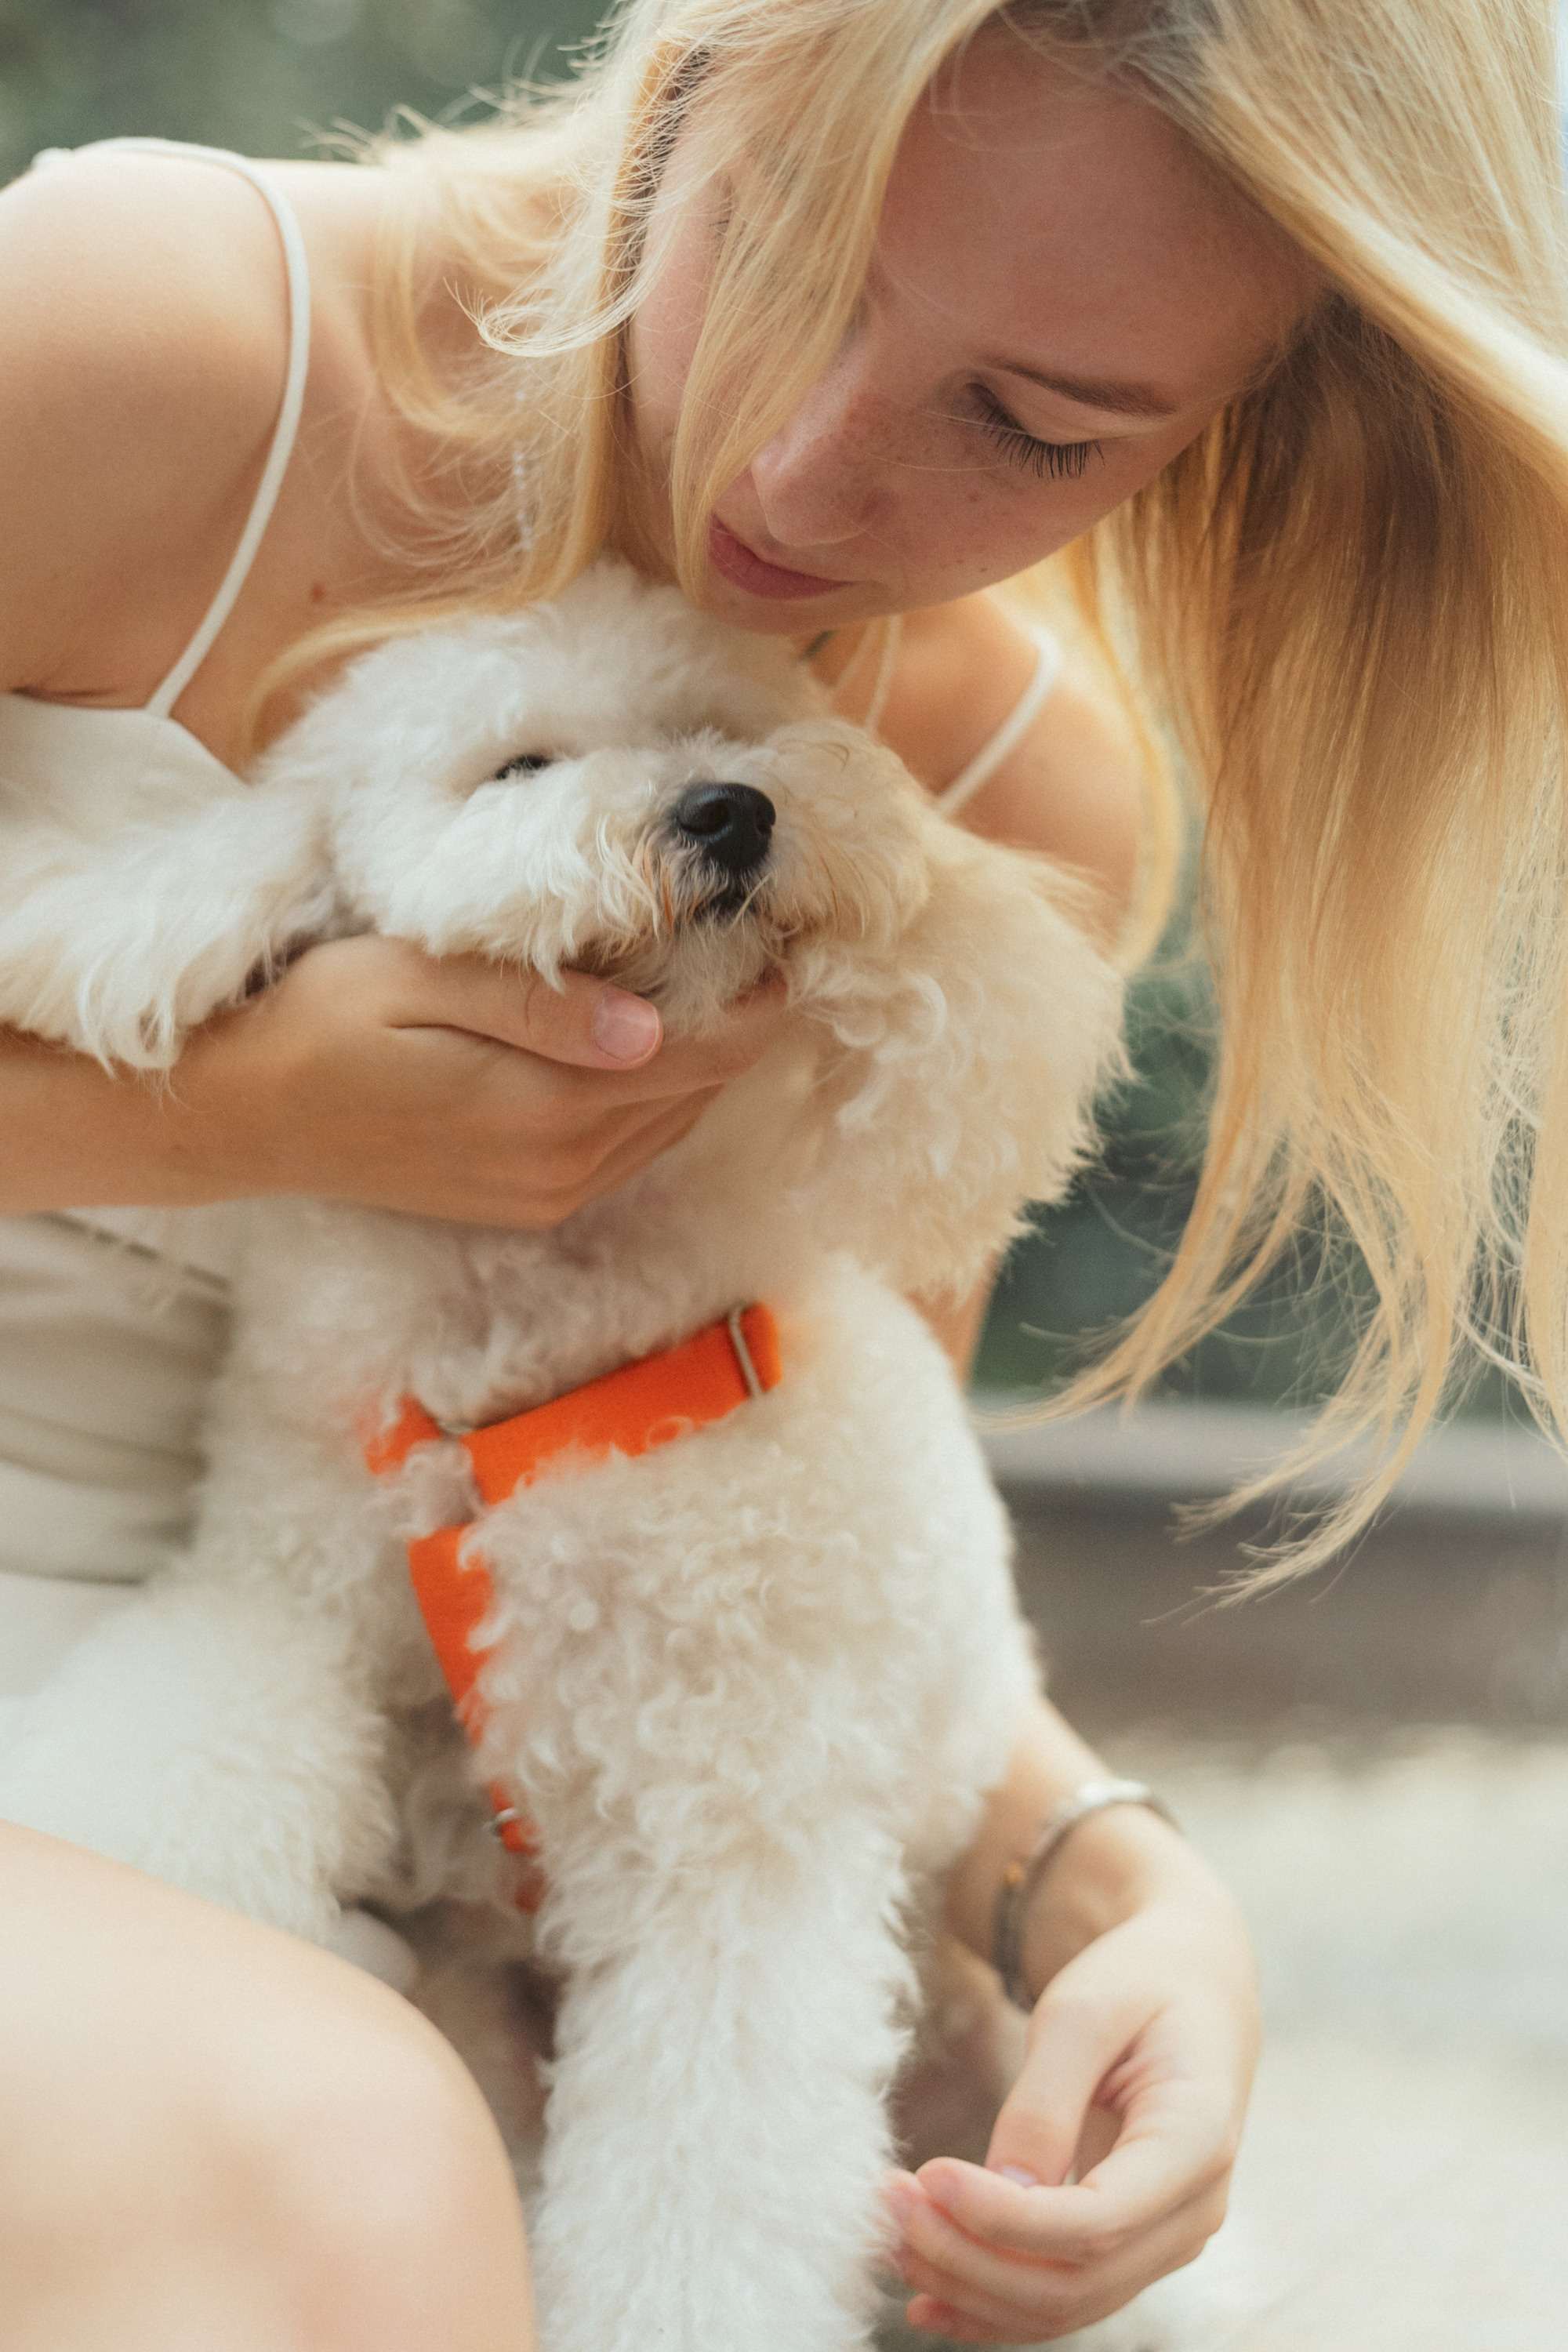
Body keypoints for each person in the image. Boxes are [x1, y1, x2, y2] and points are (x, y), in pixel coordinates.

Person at [2, 0, 1559, 2343]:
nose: (813, 475)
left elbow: (778, 1533)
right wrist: (213, 1110)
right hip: (186, 1775)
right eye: (796, 249)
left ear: (1259, 428)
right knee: (357, 2178)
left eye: (1035, 424)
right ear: (694, 73)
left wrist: (1106, 1891)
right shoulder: (141, 341)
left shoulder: (1015, 809)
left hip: (372, 1840)